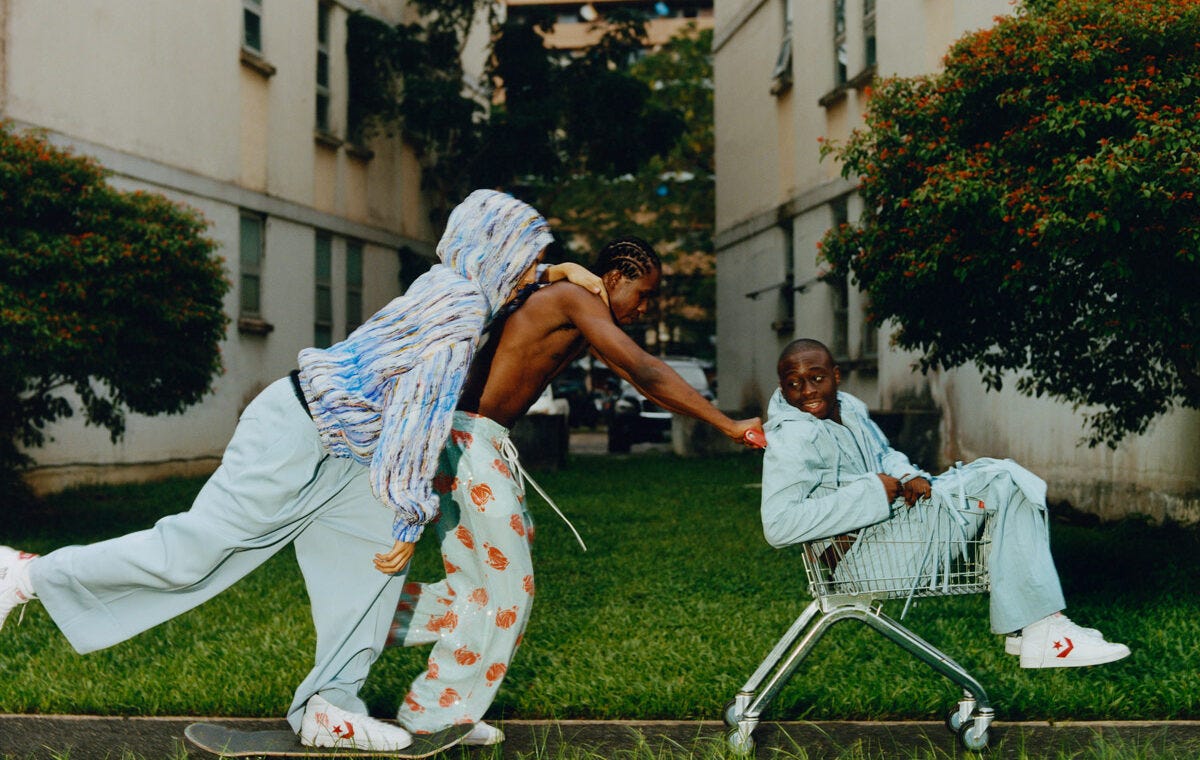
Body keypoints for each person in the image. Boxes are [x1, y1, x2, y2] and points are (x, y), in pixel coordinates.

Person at [0, 189, 605, 752]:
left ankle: (329, 707)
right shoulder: (460, 311)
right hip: (299, 433)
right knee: (196, 552)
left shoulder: (452, 282)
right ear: (499, 253)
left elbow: (496, 289)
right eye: (528, 258)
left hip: (351, 454)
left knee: (368, 578)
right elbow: (418, 416)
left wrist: (554, 272)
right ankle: (26, 574)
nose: (531, 271)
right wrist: (410, 511)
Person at [376, 237, 765, 742]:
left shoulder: (579, 310)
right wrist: (729, 424)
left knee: (485, 587)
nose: (644, 309)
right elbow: (646, 368)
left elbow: (641, 380)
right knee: (509, 590)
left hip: (474, 441)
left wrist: (719, 423)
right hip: (466, 440)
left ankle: (398, 654)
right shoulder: (573, 298)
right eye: (643, 295)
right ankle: (405, 668)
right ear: (615, 278)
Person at [759, 338, 1130, 669]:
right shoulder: (792, 437)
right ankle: (1041, 628)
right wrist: (871, 492)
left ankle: (1035, 626)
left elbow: (883, 453)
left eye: (817, 378)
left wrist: (907, 476)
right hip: (861, 560)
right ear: (782, 386)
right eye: (794, 383)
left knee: (1003, 477)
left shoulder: (849, 408)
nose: (807, 391)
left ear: (836, 376)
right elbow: (778, 525)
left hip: (887, 531)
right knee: (1002, 480)